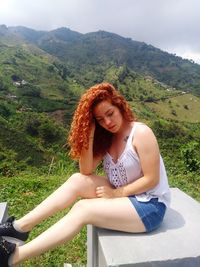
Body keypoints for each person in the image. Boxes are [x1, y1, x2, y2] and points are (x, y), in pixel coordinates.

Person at [0, 82, 171, 266]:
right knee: (76, 180)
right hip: (126, 196)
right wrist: (89, 133)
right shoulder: (107, 138)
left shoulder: (141, 133)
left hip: (150, 205)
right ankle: (19, 228)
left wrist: (115, 194)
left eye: (110, 113)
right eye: (99, 119)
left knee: (83, 209)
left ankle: (12, 257)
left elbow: (152, 179)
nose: (107, 122)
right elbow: (86, 171)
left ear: (119, 106)